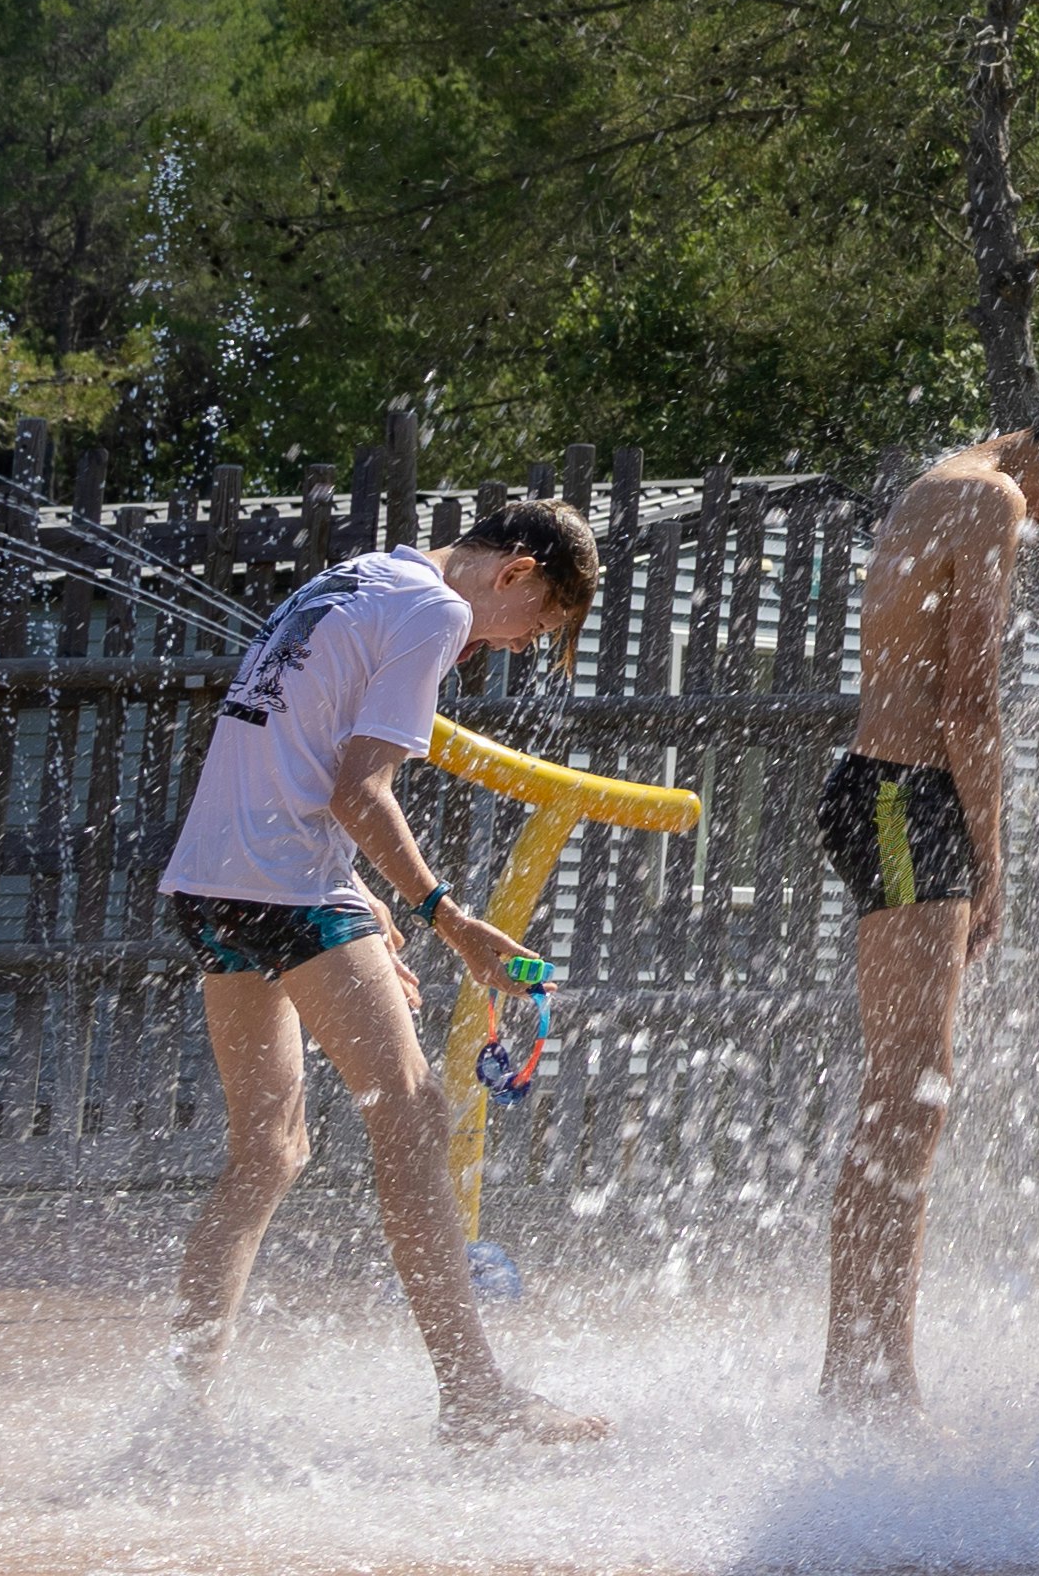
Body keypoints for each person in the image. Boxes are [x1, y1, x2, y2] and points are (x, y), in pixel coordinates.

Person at [155, 497, 612, 1448]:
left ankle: (180, 1413)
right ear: (516, 572)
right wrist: (451, 919)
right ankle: (475, 1399)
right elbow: (357, 789)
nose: (515, 648)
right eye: (534, 627)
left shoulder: (358, 577)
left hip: (209, 883)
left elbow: (285, 758)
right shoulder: (438, 612)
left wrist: (358, 899)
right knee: (411, 1115)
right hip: (288, 890)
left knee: (268, 1150)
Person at [817, 394, 1039, 1416]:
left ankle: (863, 1371)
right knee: (910, 1090)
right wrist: (992, 857)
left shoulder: (946, 482)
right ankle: (872, 1378)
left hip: (883, 785)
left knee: (906, 1090)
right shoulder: (991, 500)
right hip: (907, 792)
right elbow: (969, 697)